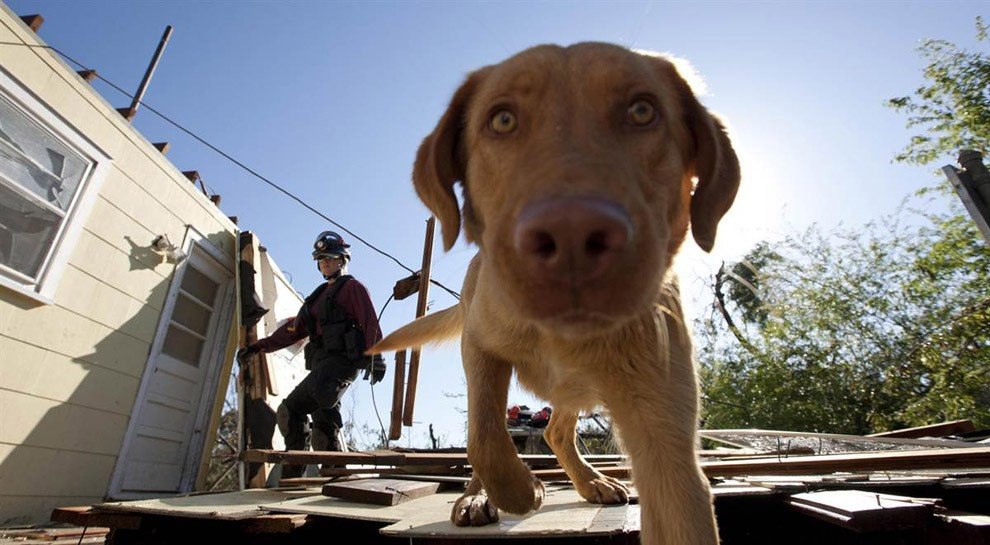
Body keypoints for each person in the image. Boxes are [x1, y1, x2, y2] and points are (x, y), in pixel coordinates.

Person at [238, 230, 385, 478]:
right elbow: (292, 332)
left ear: (343, 259)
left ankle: (293, 469)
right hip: (321, 366)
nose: (325, 263)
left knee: (291, 409)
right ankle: (335, 474)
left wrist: (377, 357)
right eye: (321, 259)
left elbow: (369, 321)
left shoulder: (352, 288)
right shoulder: (316, 298)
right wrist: (257, 347)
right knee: (324, 421)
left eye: (330, 257)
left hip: (340, 364)